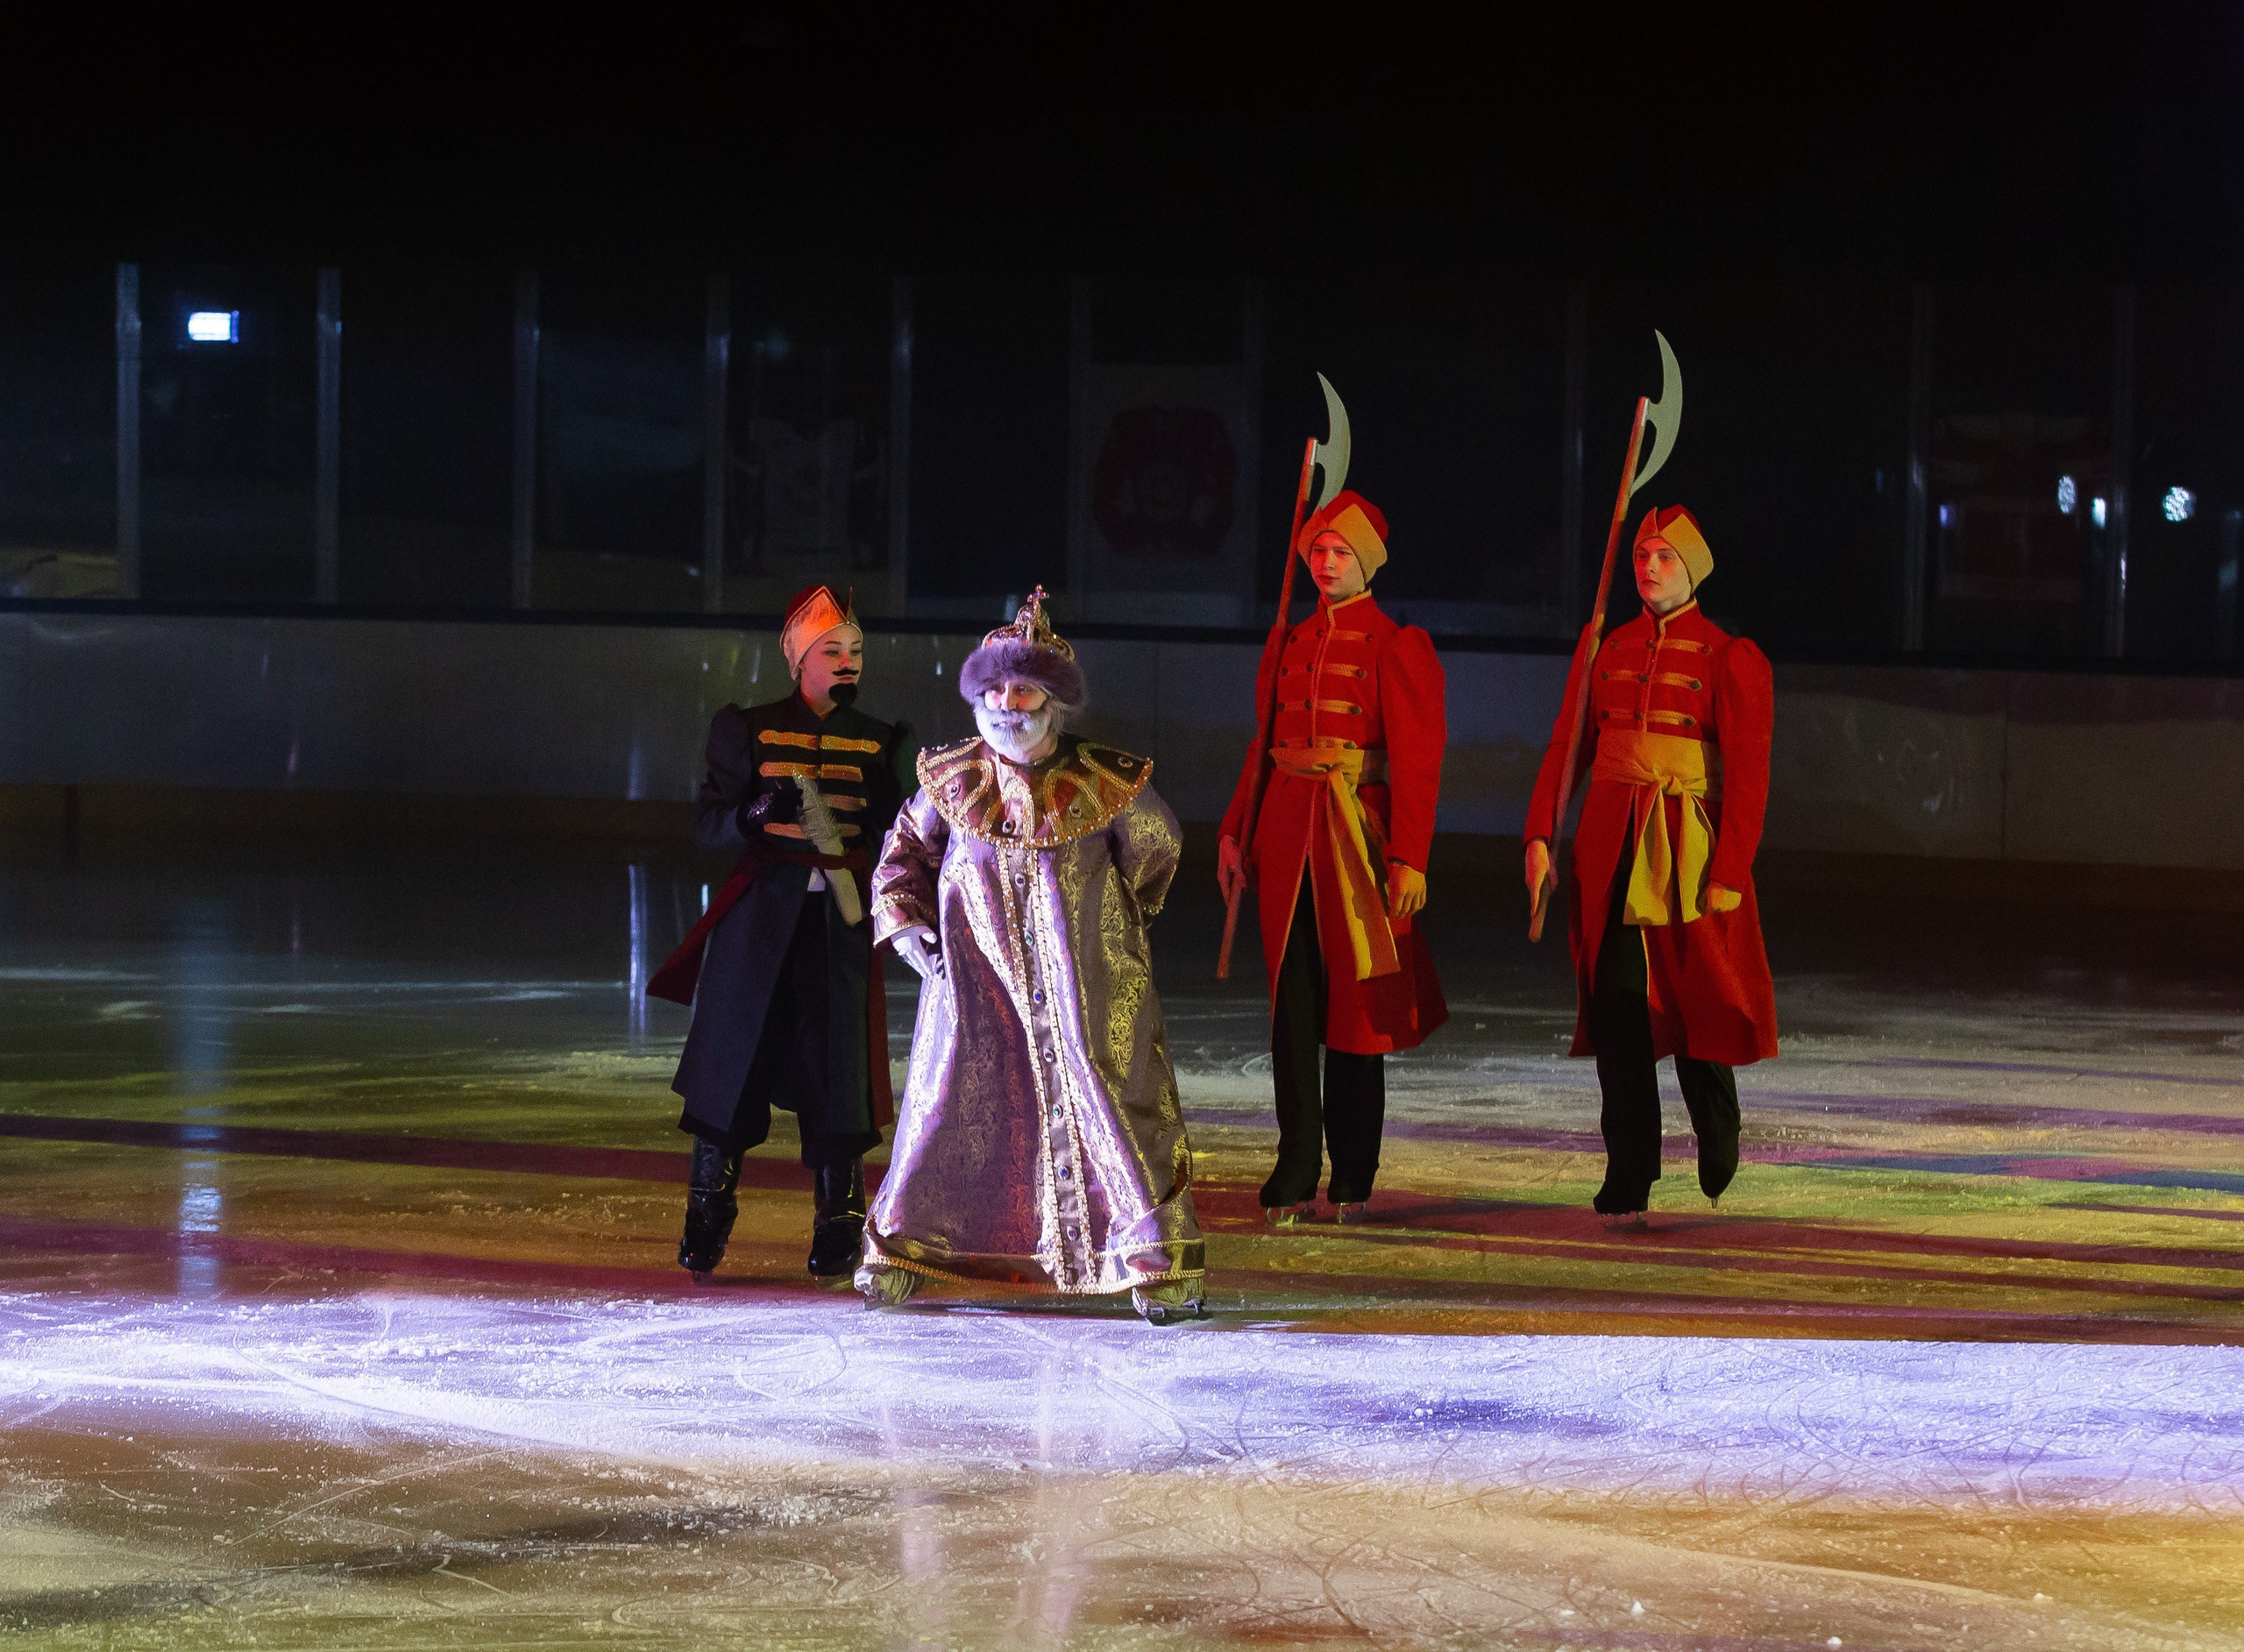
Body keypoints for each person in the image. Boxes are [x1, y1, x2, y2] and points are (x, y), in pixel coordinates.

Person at [859, 589, 1205, 1323]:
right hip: (975, 984)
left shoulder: (1105, 780)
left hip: (1086, 982)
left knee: (1104, 1088)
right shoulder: (951, 778)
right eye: (993, 689)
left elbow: (1158, 849)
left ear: (1052, 700)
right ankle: (904, 1245)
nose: (1006, 703)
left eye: (1022, 689)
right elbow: (902, 855)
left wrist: (1116, 929)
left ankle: (1152, 1258)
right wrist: (908, 923)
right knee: (951, 1098)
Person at [1522, 506, 1779, 1223]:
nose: (1650, 566)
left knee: (1697, 1004)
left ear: (1692, 568)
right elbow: (1565, 748)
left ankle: (1717, 1122)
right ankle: (1628, 1171)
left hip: (1687, 848)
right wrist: (1540, 834)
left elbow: (1750, 776)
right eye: (1642, 553)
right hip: (1611, 850)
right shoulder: (1607, 645)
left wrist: (1731, 867)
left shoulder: (1728, 655)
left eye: (1666, 556)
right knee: (1623, 1017)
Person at [648, 585, 912, 1280]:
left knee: (838, 1075)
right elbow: (707, 824)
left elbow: (899, 837)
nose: (848, 661)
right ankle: (706, 1212)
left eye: (856, 649)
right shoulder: (751, 729)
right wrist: (752, 812)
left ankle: (840, 1220)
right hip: (757, 929)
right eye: (833, 649)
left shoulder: (882, 741)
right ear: (798, 658)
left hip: (839, 928)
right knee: (731, 1070)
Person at [1217, 491, 1448, 1226]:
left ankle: (1353, 1168)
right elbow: (1263, 744)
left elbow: (1418, 758)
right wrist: (1235, 831)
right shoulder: (1287, 640)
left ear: (1367, 560)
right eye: (1316, 550)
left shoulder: (1396, 643)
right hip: (1288, 836)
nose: (1324, 562)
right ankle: (1295, 1161)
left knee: (1355, 1018)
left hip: (1358, 840)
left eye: (1339, 551)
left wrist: (1410, 855)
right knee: (1292, 1011)